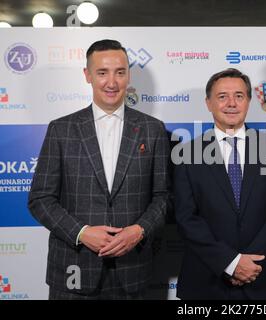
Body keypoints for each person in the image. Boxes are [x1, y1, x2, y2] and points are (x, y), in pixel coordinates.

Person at [28, 39, 170, 299]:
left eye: (120, 72)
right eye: (102, 73)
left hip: (133, 271)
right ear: (87, 76)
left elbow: (163, 197)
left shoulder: (154, 130)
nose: (112, 82)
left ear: (128, 74)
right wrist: (82, 233)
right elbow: (40, 199)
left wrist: (138, 231)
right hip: (73, 270)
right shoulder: (61, 130)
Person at [174, 68, 266, 299]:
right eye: (222, 96)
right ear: (208, 103)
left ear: (248, 101)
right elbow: (186, 217)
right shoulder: (186, 154)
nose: (231, 103)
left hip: (260, 276)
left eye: (239, 96)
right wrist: (230, 262)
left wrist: (249, 263)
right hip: (206, 281)